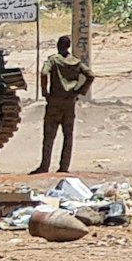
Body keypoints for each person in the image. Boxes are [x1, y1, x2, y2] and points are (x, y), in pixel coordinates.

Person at [32, 35, 94, 174]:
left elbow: (43, 73)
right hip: (69, 102)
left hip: (54, 101)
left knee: (49, 136)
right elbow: (90, 75)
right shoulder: (75, 62)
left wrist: (44, 91)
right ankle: (64, 167)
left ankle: (45, 166)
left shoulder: (53, 60)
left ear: (58, 46)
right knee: (68, 135)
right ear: (68, 46)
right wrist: (79, 91)